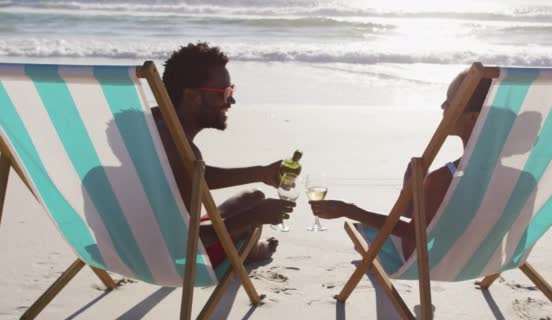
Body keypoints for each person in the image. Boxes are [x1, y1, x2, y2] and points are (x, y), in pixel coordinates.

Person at [310, 70, 491, 258]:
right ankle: (412, 195)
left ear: (472, 117)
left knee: (366, 231)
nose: (443, 105)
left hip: (436, 258)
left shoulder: (445, 178)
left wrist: (349, 210)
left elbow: (414, 234)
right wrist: (417, 193)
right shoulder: (516, 174)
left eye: (451, 102)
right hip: (487, 255)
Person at [153, 42, 295, 267]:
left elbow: (192, 176)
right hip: (174, 257)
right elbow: (188, 243)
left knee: (252, 197)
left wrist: (260, 173)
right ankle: (252, 250)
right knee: (253, 217)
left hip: (126, 245)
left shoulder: (147, 130)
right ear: (191, 97)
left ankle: (250, 232)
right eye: (223, 93)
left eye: (232, 91)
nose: (231, 101)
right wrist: (255, 217)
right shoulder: (180, 150)